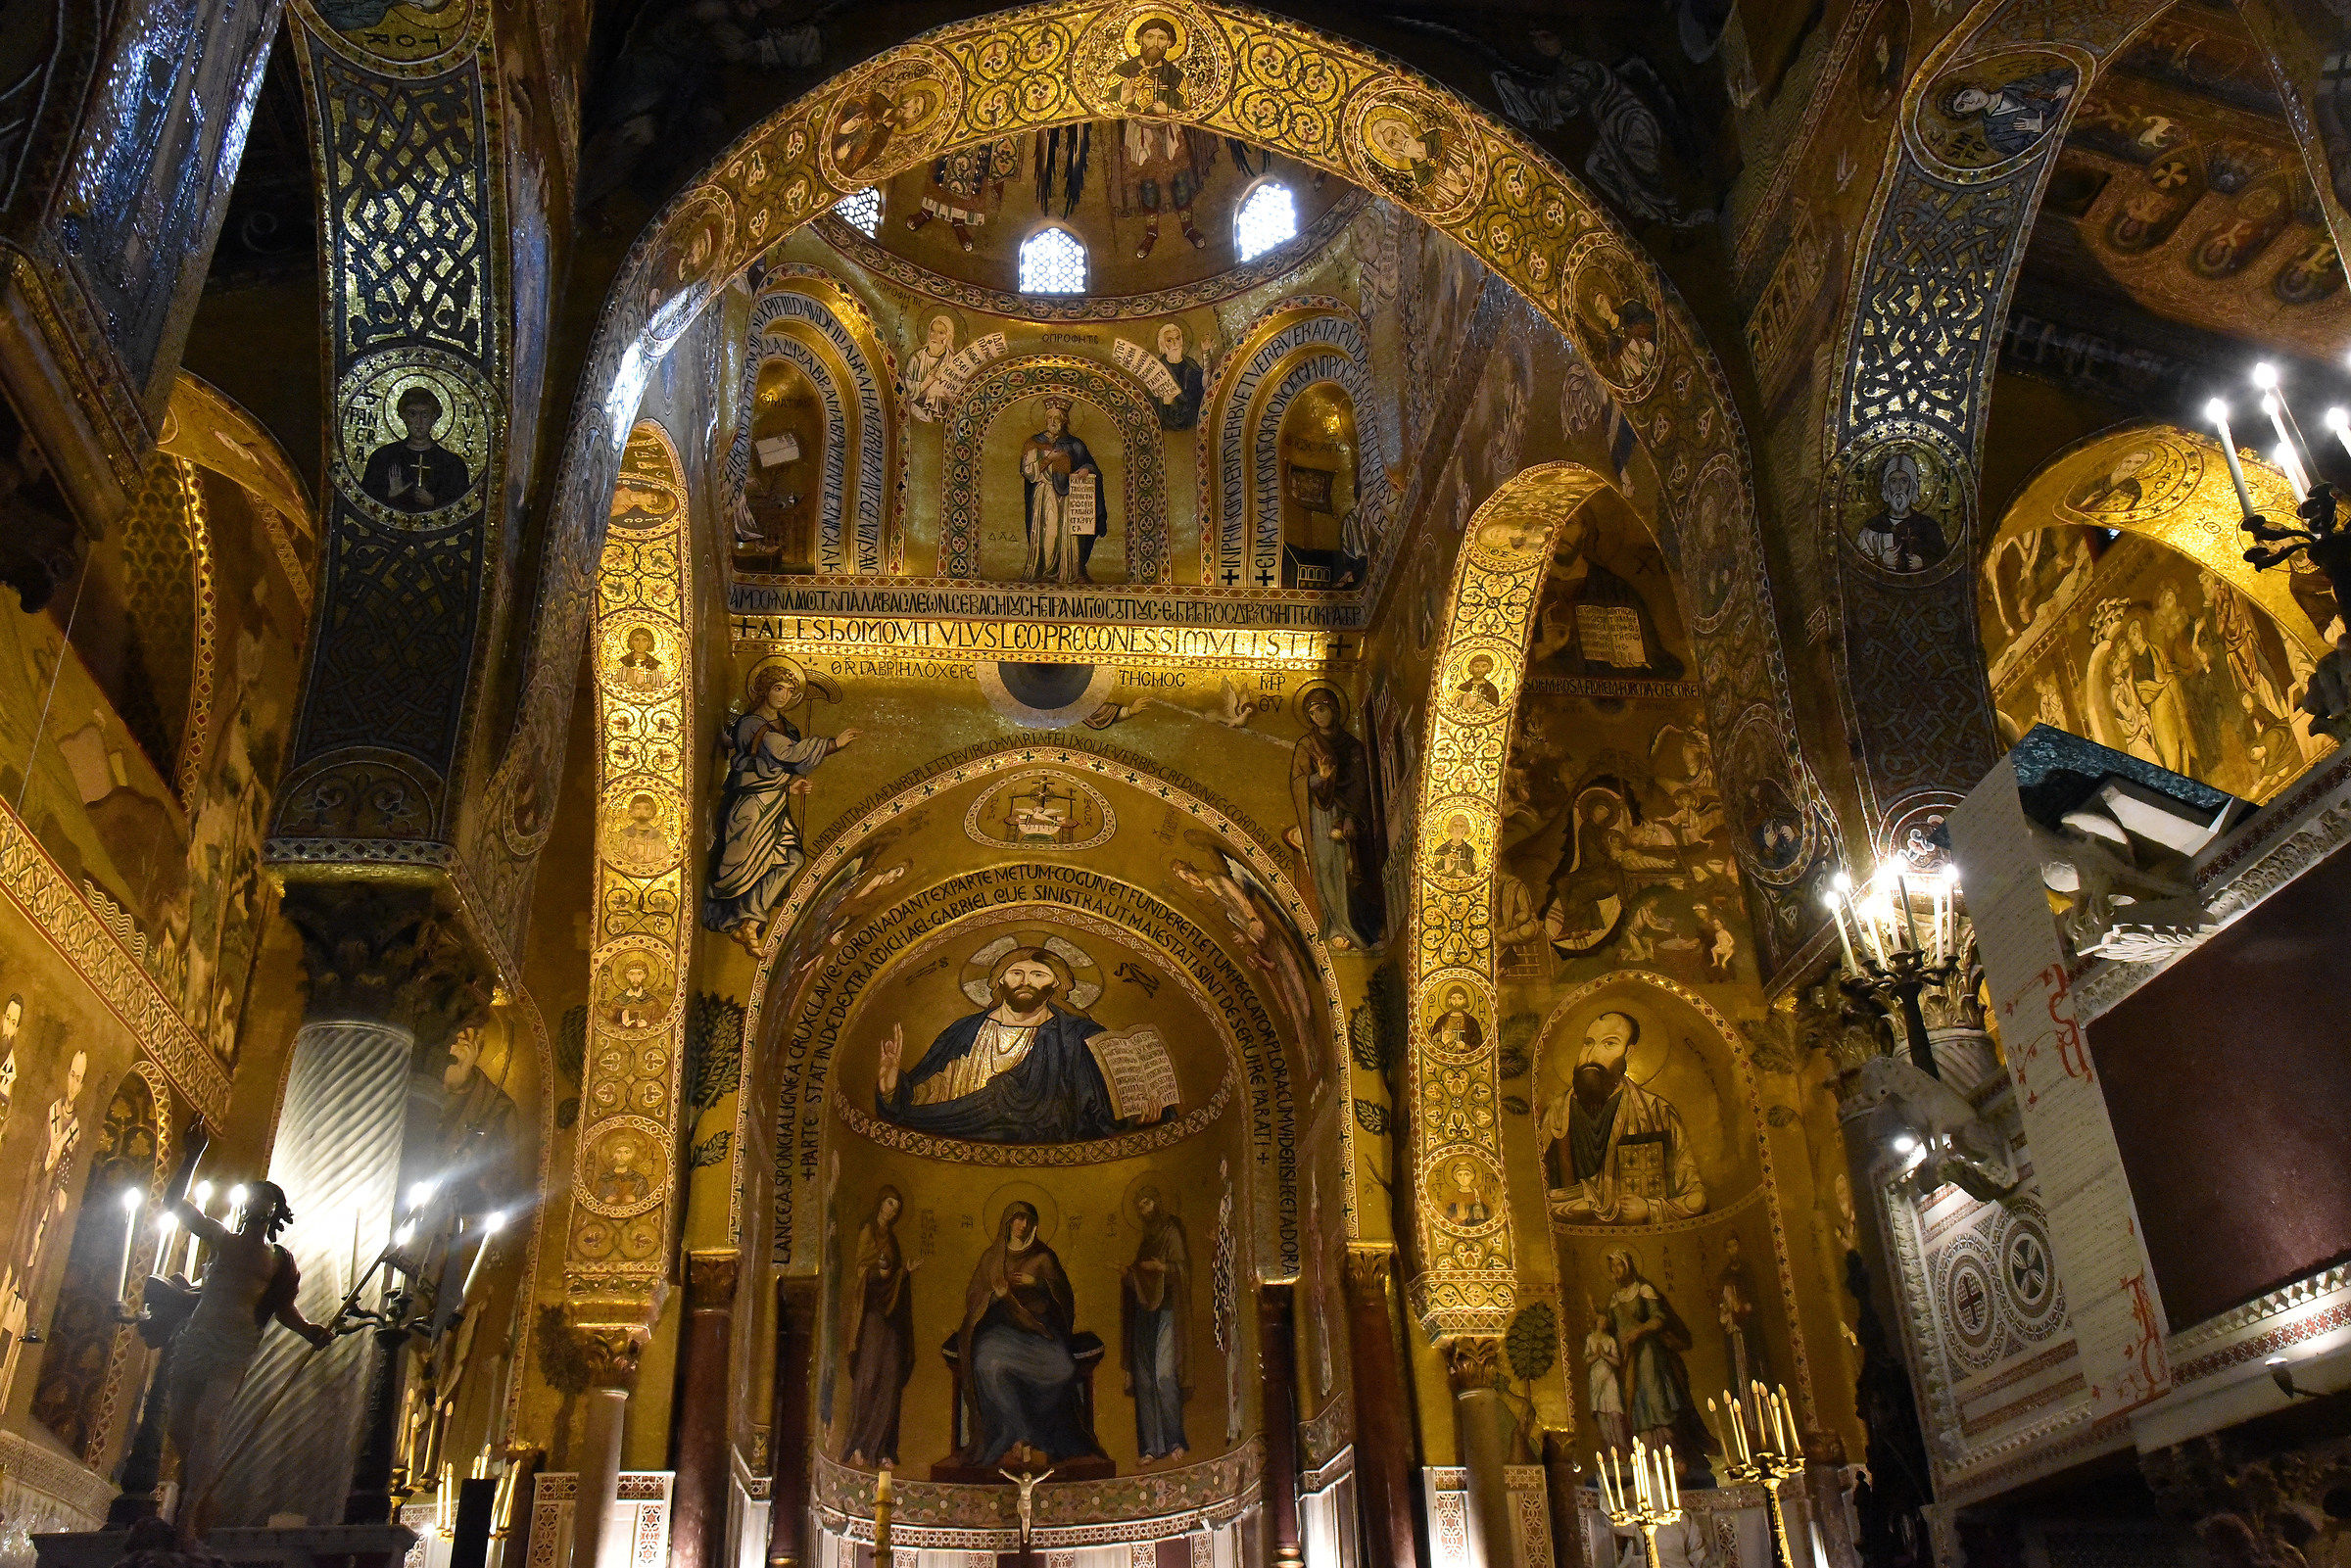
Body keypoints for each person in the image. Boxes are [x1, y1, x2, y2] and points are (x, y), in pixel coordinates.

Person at [162, 1128, 334, 1544]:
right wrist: (191, 1157)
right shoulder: (221, 1238)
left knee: (208, 1422)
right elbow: (175, 1206)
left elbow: (282, 1308)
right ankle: (196, 1489)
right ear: (245, 1205)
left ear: (276, 1212)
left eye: (268, 1201)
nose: (260, 1204)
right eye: (255, 1197)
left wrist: (308, 1329)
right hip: (198, 1334)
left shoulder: (278, 1261)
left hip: (234, 1344)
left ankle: (189, 1511)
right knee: (177, 1425)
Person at [875, 947, 1126, 1143]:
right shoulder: (964, 1030)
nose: (1025, 982)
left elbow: (1102, 1110)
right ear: (1001, 980)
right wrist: (891, 1089)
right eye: (1016, 973)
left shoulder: (1076, 1038)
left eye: (1038, 975)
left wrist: (1137, 1120)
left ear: (1055, 984)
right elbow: (936, 1090)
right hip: (960, 1142)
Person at [702, 664, 858, 943]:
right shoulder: (751, 724)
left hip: (774, 803)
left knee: (792, 858)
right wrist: (833, 744)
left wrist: (790, 783)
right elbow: (784, 753)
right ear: (764, 690)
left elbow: (788, 763)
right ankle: (733, 913)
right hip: (751, 802)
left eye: (789, 691)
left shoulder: (789, 727)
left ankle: (752, 919)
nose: (784, 696)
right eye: (778, 689)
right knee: (740, 865)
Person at [955, 1202, 1102, 1468]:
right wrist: (996, 1295)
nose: (1022, 1225)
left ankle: (1042, 1439)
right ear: (1007, 1222)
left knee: (1062, 1369)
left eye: (1027, 1220)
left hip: (1040, 1330)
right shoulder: (993, 1257)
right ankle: (1011, 1436)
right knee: (988, 1362)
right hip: (1000, 1329)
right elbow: (974, 1296)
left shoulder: (1044, 1258)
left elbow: (1064, 1298)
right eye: (1017, 1219)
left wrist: (1038, 1284)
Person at [1542, 1011, 1706, 1223]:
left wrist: (1650, 1208)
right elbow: (1534, 1195)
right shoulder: (1556, 1113)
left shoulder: (1657, 1112)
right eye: (1588, 1043)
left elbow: (1696, 1198)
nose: (1592, 1055)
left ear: (1628, 1052)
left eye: (1609, 1044)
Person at [1105, 19, 1218, 256]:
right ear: (1138, 40)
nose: (1155, 43)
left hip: (1170, 130)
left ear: (1169, 44)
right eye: (1149, 36)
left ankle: (1188, 227)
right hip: (1139, 132)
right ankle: (1151, 233)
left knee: (1180, 179)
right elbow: (1105, 101)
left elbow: (1189, 103)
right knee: (1147, 182)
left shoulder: (1174, 75)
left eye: (1161, 38)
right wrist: (1122, 102)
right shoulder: (1123, 71)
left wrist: (1170, 111)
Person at [1286, 686, 1386, 949]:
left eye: (1321, 709)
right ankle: (1337, 923)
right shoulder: (1307, 745)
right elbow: (1298, 781)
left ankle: (1360, 925)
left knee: (1354, 868)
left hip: (1352, 816)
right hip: (1321, 815)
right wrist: (1321, 778)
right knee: (1328, 867)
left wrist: (1352, 816)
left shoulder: (1354, 746)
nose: (1317, 716)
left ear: (1334, 708)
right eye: (1311, 712)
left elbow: (1362, 786)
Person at [1601, 1249, 1710, 1462]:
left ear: (1629, 1266)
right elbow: (1613, 1328)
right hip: (1628, 1357)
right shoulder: (1615, 1300)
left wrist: (1639, 1331)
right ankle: (1646, 1453)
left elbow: (1659, 1318)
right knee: (1634, 1400)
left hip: (1649, 1351)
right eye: (1612, 1267)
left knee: (1654, 1395)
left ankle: (1671, 1452)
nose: (1616, 1271)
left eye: (1619, 1265)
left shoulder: (1644, 1289)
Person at [842, 1186, 920, 1467]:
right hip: (872, 1315)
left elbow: (893, 1274)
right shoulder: (868, 1231)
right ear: (880, 1202)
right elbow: (861, 1270)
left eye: (897, 1208)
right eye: (889, 1203)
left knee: (891, 1378)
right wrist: (881, 1272)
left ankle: (883, 1447)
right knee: (869, 1377)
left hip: (892, 1319)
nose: (892, 1210)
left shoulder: (893, 1239)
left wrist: (903, 1273)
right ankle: (860, 1444)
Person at [1121, 1186, 1190, 1461]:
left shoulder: (1172, 1230)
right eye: (1139, 1205)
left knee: (1163, 1375)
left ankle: (1175, 1441)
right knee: (1145, 1380)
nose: (1143, 1209)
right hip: (1143, 1313)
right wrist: (1128, 1273)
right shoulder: (1146, 1240)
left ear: (1158, 1202)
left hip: (1167, 1310)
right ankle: (1149, 1447)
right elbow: (1140, 1276)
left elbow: (1183, 1268)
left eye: (1147, 1202)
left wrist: (1164, 1268)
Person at [1020, 399, 1107, 584]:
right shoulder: (1034, 443)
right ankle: (1046, 571)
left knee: (1072, 534)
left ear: (1065, 421)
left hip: (1070, 494)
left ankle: (1073, 571)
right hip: (1045, 493)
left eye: (1057, 419)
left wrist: (1087, 469)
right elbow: (1027, 471)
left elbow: (1090, 464)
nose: (1053, 422)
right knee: (1049, 531)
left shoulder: (1075, 444)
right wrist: (1049, 458)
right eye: (1049, 418)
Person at [360, 386, 471, 513]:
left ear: (434, 418)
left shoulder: (452, 464)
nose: (419, 422)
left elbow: (462, 507)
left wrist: (434, 501)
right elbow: (363, 502)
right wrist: (390, 494)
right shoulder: (383, 458)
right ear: (403, 417)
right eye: (412, 414)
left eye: (425, 414)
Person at [1854, 451, 1946, 573]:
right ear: (1886, 486)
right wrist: (1881, 561)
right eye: (1893, 481)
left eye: (1904, 481)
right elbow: (1857, 567)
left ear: (1912, 486)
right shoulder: (1872, 528)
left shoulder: (1928, 527)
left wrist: (1924, 562)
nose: (1898, 488)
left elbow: (1944, 565)